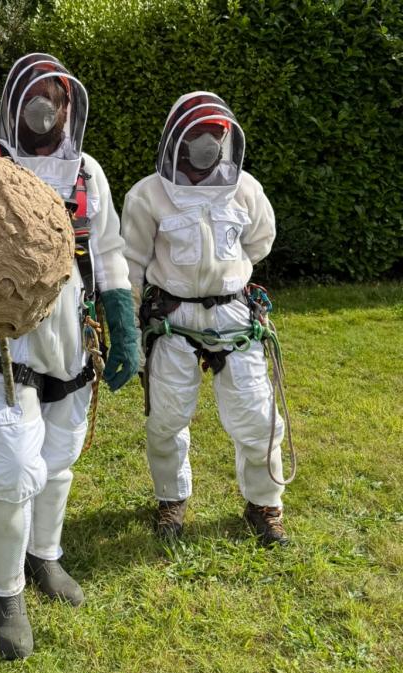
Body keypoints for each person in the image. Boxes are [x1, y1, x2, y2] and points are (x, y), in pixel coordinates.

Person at [0, 54, 140, 660]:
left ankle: (45, 556)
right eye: (37, 95)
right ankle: (3, 591)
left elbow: (110, 248)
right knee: (12, 472)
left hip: (73, 339)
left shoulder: (87, 171)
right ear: (15, 104)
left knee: (58, 461)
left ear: (71, 107)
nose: (48, 106)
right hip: (4, 347)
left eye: (57, 97)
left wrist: (123, 317)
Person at [121, 91, 289, 547]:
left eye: (216, 135)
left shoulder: (245, 189)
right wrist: (131, 332)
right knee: (167, 418)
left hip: (235, 314)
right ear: (177, 138)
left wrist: (226, 278)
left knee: (258, 415)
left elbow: (260, 241)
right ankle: (171, 500)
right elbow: (131, 265)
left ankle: (264, 504)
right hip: (172, 317)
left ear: (227, 138)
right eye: (198, 134)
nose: (207, 143)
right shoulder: (149, 195)